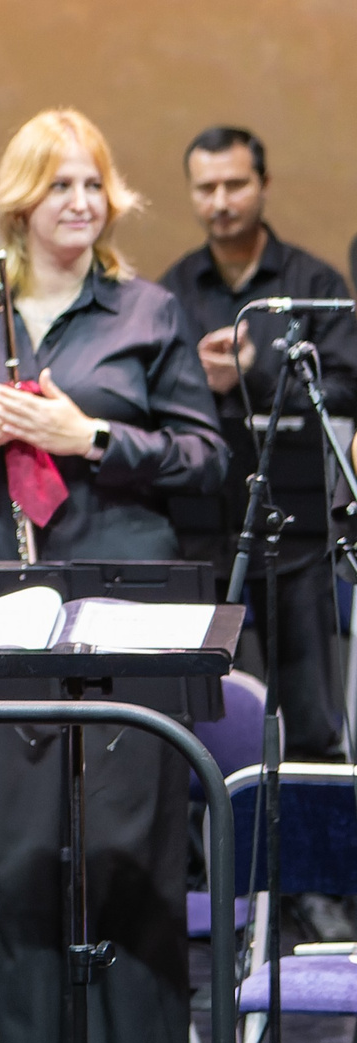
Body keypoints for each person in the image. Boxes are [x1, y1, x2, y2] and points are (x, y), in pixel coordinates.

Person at [0, 108, 225, 1043]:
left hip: (123, 611)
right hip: (3, 619)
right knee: (16, 860)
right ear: (20, 200)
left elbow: (203, 458)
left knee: (118, 851)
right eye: (61, 187)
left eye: (93, 185)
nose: (82, 204)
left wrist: (85, 435)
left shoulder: (147, 311)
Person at [158, 125, 357, 761]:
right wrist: (200, 378)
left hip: (298, 538)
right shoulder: (173, 288)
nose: (221, 201)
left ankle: (307, 856)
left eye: (235, 184)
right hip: (197, 536)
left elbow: (348, 387)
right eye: (206, 187)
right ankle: (209, 857)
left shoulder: (314, 282)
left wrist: (258, 373)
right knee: (203, 724)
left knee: (309, 723)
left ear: (263, 185)